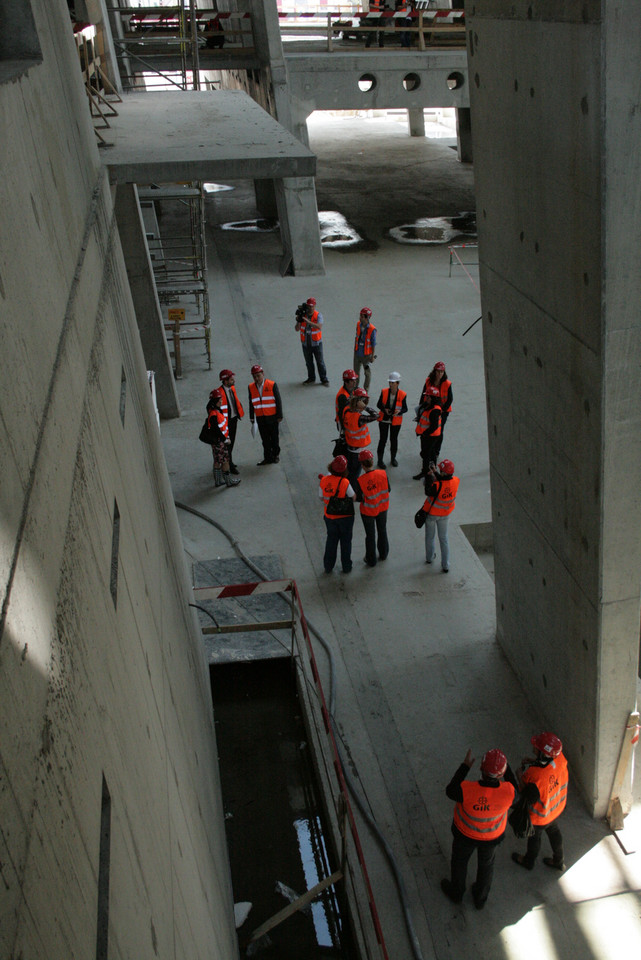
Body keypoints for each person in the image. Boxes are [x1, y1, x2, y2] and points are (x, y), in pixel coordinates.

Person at [442, 748, 516, 909]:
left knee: (460, 863)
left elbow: (450, 789)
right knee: (486, 866)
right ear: (502, 774)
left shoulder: (466, 789)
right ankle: (480, 898)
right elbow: (515, 787)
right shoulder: (509, 792)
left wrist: (465, 766)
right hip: (491, 838)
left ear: (481, 769)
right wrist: (506, 767)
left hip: (464, 835)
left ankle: (457, 893)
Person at [512, 732, 568, 873]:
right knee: (554, 833)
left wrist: (519, 776)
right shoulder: (560, 758)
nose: (533, 747)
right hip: (555, 809)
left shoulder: (535, 776)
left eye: (536, 747)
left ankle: (528, 861)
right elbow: (549, 767)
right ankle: (559, 861)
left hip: (540, 817)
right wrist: (533, 761)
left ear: (543, 754)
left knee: (534, 838)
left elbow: (527, 795)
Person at [417, 458, 459, 572]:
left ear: (444, 472)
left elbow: (427, 490)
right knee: (444, 539)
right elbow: (445, 481)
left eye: (441, 470)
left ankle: (429, 558)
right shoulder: (456, 481)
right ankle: (445, 565)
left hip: (432, 515)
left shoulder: (435, 485)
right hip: (445, 514)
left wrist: (429, 476)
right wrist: (435, 472)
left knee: (430, 537)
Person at [319, 455, 356, 574]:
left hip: (329, 517)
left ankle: (328, 566)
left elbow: (321, 497)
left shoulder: (324, 480)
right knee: (346, 542)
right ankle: (346, 567)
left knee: (331, 541)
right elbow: (353, 497)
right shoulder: (344, 482)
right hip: (345, 518)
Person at [355, 450, 390, 566]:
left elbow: (358, 498)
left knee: (370, 535)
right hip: (382, 508)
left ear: (362, 465)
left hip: (368, 512)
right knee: (382, 530)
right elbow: (388, 489)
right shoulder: (383, 474)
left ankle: (371, 560)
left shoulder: (361, 481)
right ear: (372, 461)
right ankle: (384, 553)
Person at [341, 387, 379, 486]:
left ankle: (347, 486)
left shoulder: (346, 410)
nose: (365, 403)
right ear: (360, 402)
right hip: (358, 450)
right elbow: (376, 415)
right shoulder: (359, 418)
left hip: (350, 447)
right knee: (354, 474)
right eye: (364, 401)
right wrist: (366, 407)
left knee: (349, 471)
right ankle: (352, 492)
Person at [248, 364, 283, 465]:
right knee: (265, 440)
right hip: (260, 418)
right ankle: (268, 457)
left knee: (274, 438)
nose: (256, 378)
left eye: (258, 375)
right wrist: (251, 417)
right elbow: (251, 402)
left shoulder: (271, 384)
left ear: (263, 374)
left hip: (272, 417)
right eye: (254, 376)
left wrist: (279, 415)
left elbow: (278, 400)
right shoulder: (251, 387)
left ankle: (275, 455)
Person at [207, 389, 241, 488]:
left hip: (216, 442)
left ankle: (218, 481)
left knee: (217, 461)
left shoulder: (213, 411)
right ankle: (229, 481)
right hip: (220, 442)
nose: (221, 401)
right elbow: (217, 430)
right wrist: (225, 439)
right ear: (215, 401)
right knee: (225, 461)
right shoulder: (214, 414)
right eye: (219, 400)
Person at [419, 362, 452, 462]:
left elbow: (450, 399)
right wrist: (420, 408)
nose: (440, 374)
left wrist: (442, 411)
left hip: (442, 411)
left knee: (439, 431)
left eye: (442, 372)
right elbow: (423, 395)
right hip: (430, 409)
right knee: (428, 429)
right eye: (438, 371)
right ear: (434, 371)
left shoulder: (447, 384)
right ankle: (428, 450)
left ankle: (436, 451)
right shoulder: (429, 381)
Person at [295, 296, 329, 386]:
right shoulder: (303, 315)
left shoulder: (318, 315)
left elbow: (319, 326)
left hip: (316, 343)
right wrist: (299, 320)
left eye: (312, 306)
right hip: (306, 344)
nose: (310, 308)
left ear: (315, 306)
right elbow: (297, 329)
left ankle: (324, 379)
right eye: (309, 306)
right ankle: (311, 378)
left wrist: (307, 321)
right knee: (309, 362)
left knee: (320, 362)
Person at [376, 371, 408, 468]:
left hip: (396, 421)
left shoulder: (402, 395)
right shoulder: (384, 392)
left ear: (398, 383)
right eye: (390, 382)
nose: (390, 384)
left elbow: (405, 408)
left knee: (394, 440)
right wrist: (384, 409)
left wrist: (399, 411)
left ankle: (393, 459)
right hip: (384, 420)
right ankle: (380, 461)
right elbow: (378, 404)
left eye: (392, 382)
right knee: (382, 440)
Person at [215, 368, 244, 474]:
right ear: (225, 381)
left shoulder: (232, 389)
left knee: (231, 443)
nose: (234, 381)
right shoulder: (219, 393)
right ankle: (229, 465)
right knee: (227, 445)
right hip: (226, 424)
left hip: (233, 419)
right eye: (231, 379)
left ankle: (229, 461)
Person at [413, 385, 442, 480]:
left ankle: (425, 472)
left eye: (428, 396)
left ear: (433, 398)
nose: (426, 398)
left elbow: (433, 426)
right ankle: (432, 468)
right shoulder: (428, 406)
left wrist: (425, 433)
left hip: (430, 436)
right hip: (427, 435)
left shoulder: (434, 411)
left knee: (426, 454)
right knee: (431, 452)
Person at [353, 307, 377, 392]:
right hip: (357, 353)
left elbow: (373, 344)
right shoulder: (358, 324)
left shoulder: (372, 329)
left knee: (367, 374)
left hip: (366, 355)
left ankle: (365, 391)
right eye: (360, 315)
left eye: (362, 316)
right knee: (355, 373)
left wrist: (372, 356)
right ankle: (355, 389)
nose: (360, 317)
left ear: (367, 317)